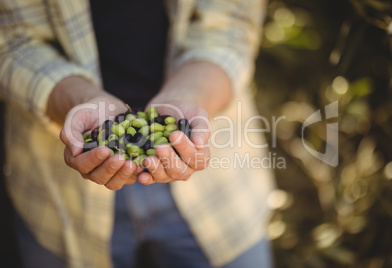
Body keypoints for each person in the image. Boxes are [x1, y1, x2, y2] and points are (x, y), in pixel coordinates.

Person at [0, 0, 275, 267]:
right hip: (55, 188)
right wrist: (77, 100)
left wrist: (189, 95)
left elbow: (231, 24)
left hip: (218, 186)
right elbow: (10, 41)